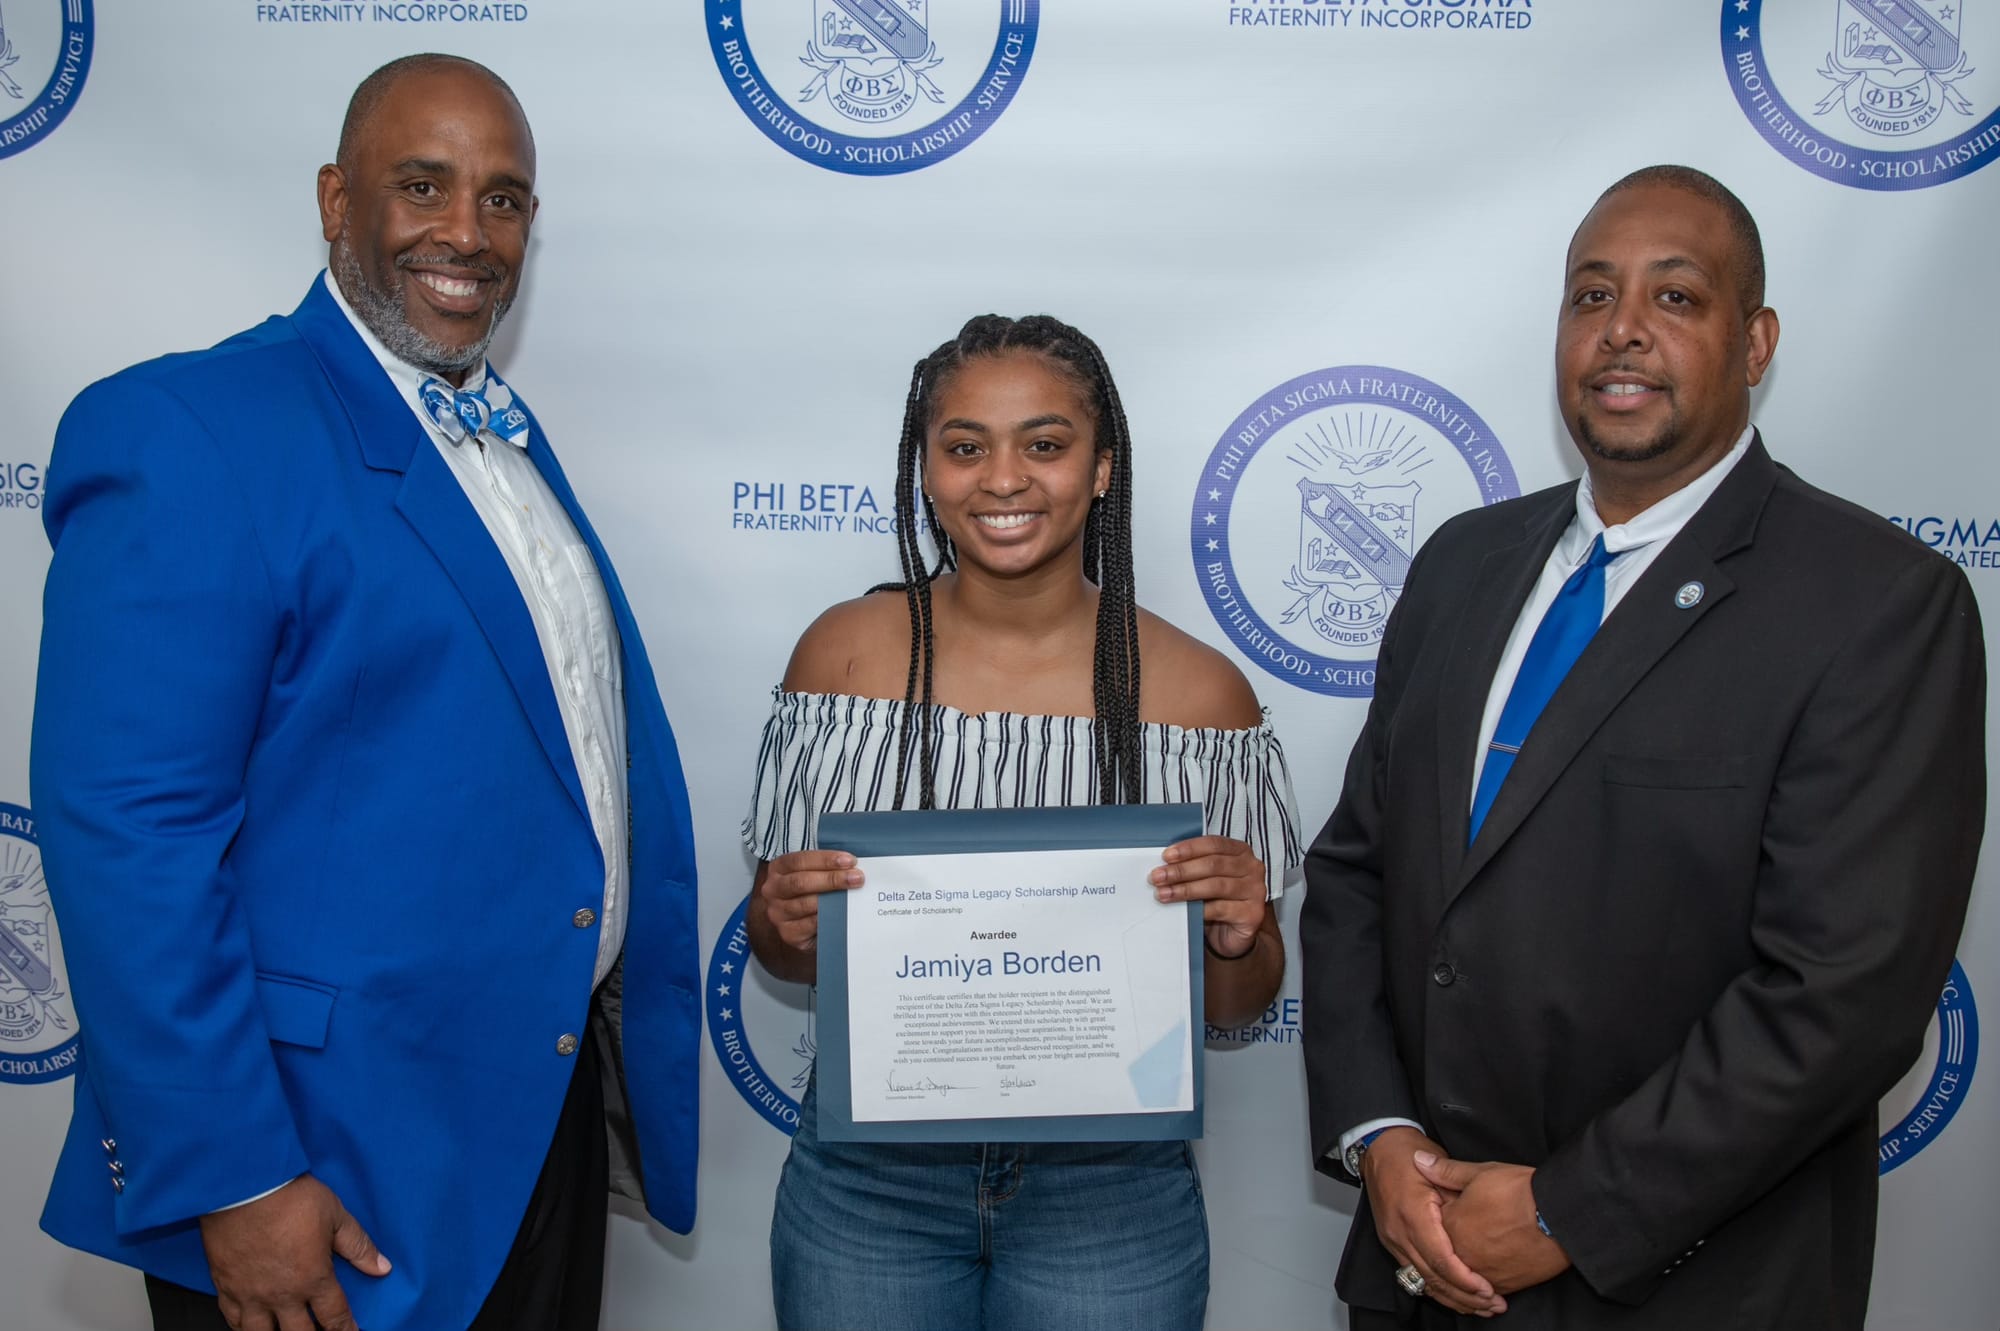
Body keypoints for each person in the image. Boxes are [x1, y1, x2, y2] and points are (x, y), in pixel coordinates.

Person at [30, 54, 701, 1331]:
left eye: (504, 200)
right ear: (337, 201)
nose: (467, 231)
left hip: (522, 1122)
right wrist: (237, 1174)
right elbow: (130, 838)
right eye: (422, 184)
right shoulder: (194, 429)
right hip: (320, 1158)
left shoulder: (494, 434)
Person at [1299, 163, 1986, 1330]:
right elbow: (1359, 870)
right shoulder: (1460, 565)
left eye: (1674, 298)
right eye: (1589, 296)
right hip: (1421, 1271)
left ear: (1755, 340)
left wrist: (1569, 1207)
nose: (1620, 331)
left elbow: (1841, 993)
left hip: (1691, 1282)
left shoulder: (1875, 602)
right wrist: (1379, 1137)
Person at [741, 314, 1304, 1330]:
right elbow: (787, 959)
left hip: (1109, 1190)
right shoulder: (841, 659)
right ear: (925, 470)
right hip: (871, 1179)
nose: (1003, 479)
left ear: (1099, 470)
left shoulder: (1198, 693)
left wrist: (1238, 931)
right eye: (964, 447)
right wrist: (778, 921)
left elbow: (1235, 1000)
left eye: (1043, 444)